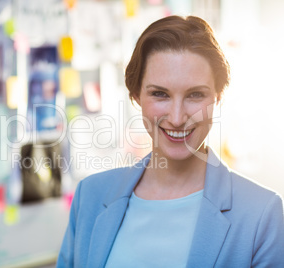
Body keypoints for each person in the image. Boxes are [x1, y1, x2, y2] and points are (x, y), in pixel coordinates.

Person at [57, 15, 284, 268]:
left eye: (195, 95)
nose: (177, 118)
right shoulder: (90, 196)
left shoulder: (261, 213)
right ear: (136, 96)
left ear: (218, 99)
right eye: (160, 94)